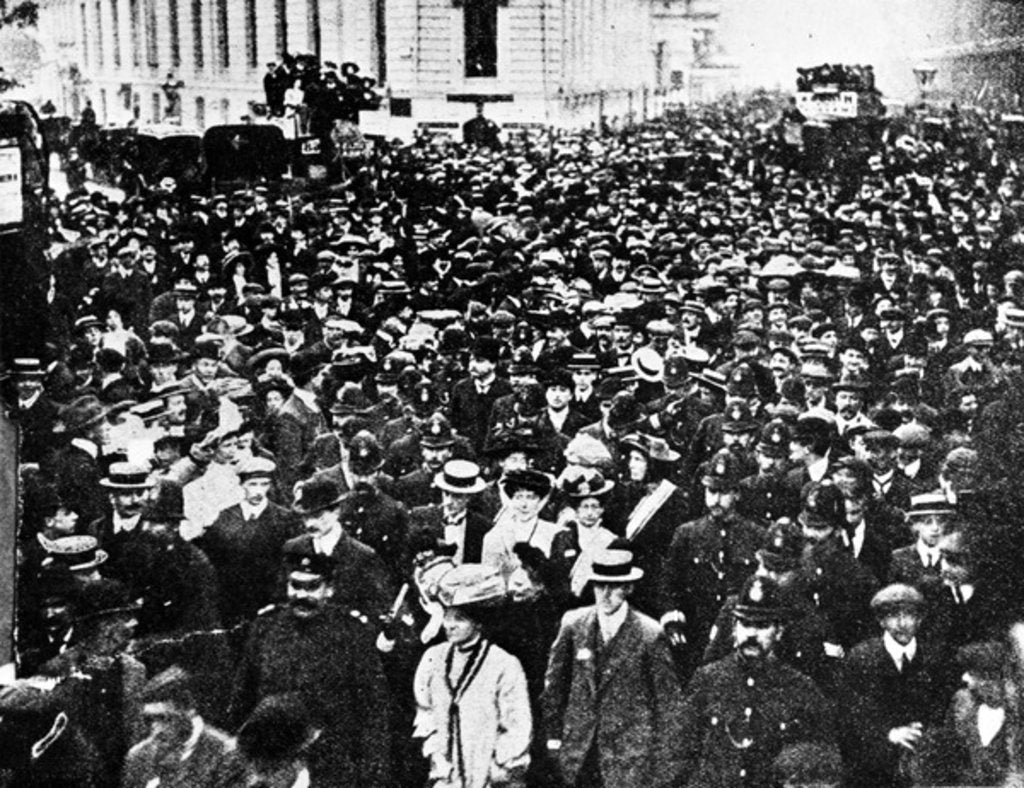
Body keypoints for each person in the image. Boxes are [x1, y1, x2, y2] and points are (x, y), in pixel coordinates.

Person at [230, 540, 392, 787]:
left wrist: (370, 773)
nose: (302, 595)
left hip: (332, 766)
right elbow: (243, 697)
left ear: (329, 589)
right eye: (295, 586)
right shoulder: (266, 628)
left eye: (312, 587)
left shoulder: (351, 633)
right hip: (275, 765)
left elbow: (372, 708)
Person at [541, 544, 687, 788]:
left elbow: (669, 705)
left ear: (628, 588)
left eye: (614, 586)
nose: (606, 594)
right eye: (600, 585)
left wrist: (662, 767)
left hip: (628, 761)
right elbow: (554, 688)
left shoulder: (649, 635)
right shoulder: (574, 625)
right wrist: (554, 739)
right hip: (579, 754)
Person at [675, 574, 838, 787]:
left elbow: (822, 764)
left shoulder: (802, 689)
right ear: (734, 627)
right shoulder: (707, 680)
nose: (751, 634)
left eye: (762, 626)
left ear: (779, 631)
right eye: (745, 623)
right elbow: (678, 754)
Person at [413, 563, 531, 788]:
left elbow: (517, 727)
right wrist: (436, 755)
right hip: (446, 776)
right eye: (447, 617)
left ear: (478, 622)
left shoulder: (504, 664)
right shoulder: (433, 659)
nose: (450, 625)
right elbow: (425, 712)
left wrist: (499, 768)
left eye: (459, 619)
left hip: (488, 775)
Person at [839, 583, 952, 787]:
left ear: (920, 619)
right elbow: (853, 714)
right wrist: (888, 734)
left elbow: (940, 709)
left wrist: (922, 735)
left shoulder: (934, 658)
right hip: (874, 763)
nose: (901, 624)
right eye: (892, 616)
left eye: (909, 615)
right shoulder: (862, 658)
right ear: (881, 621)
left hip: (920, 757)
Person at [122, 666, 241, 788]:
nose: (157, 729)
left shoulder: (225, 754)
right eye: (150, 720)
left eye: (165, 719)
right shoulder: (139, 757)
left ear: (188, 710)